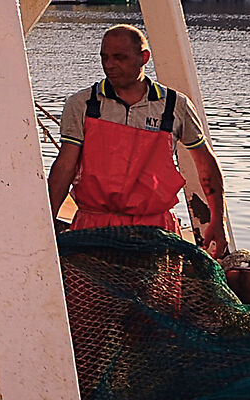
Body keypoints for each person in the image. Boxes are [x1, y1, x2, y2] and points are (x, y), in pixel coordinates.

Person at [45, 24, 227, 254]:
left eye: (119, 57)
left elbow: (206, 165)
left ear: (144, 58)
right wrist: (46, 220)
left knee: (158, 292)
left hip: (155, 230)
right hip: (93, 228)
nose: (109, 65)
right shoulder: (82, 104)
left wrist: (217, 221)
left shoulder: (175, 106)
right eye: (105, 57)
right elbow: (65, 165)